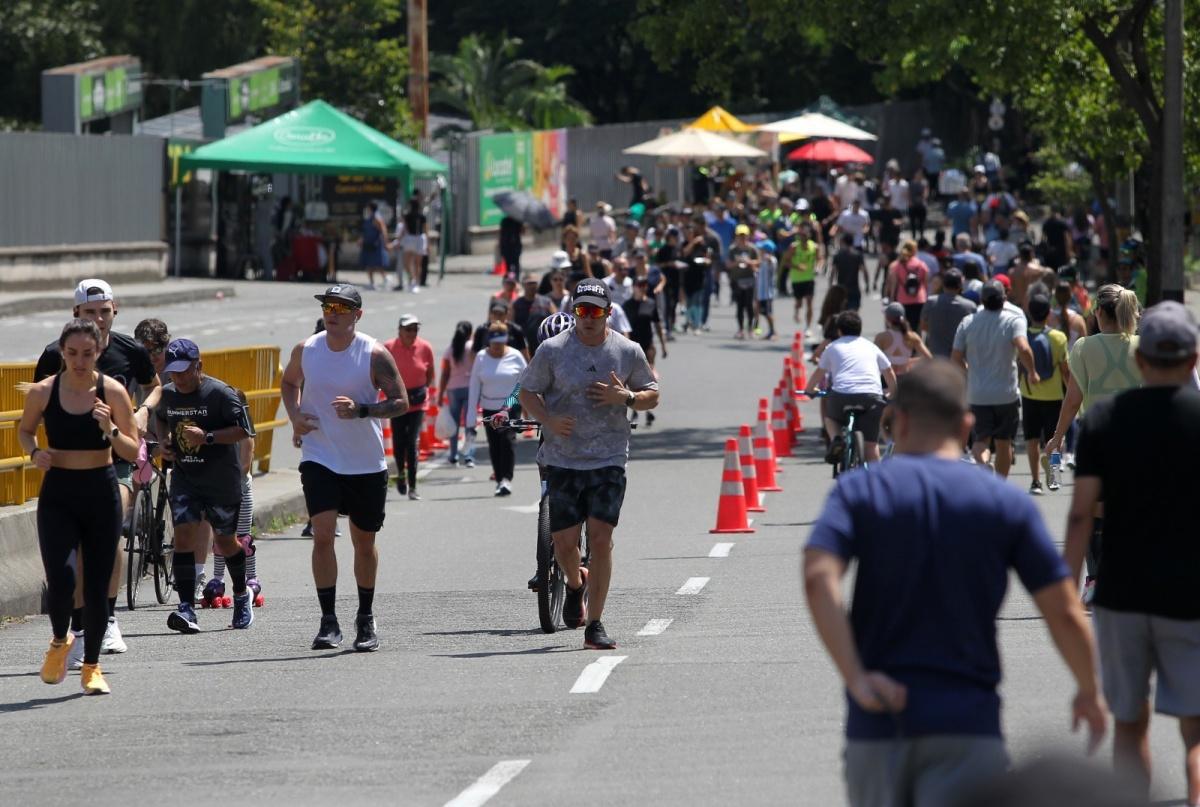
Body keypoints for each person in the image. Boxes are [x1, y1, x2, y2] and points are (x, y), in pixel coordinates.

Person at [804, 360, 1106, 807]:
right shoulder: (1003, 501)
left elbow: (817, 578)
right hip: (968, 724)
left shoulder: (859, 493)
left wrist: (856, 676)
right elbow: (1062, 607)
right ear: (966, 425)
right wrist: (1088, 689)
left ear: (897, 421)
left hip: (877, 725)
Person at [1065, 301, 1200, 807]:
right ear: (1194, 360)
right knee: (1195, 728)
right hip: (1191, 591)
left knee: (1129, 722)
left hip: (1122, 593)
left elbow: (1082, 515)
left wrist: (1064, 585)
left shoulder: (1105, 419)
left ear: (1142, 360)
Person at [519, 279, 659, 650]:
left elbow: (652, 396)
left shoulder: (627, 351)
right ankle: (575, 585)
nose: (588, 318)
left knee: (601, 539)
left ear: (608, 313)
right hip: (562, 458)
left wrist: (626, 396)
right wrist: (547, 420)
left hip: (608, 457)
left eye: (595, 311)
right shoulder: (552, 350)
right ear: (573, 312)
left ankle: (594, 624)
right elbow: (527, 391)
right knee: (564, 545)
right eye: (581, 310)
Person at [34, 279, 161, 663]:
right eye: (90, 313)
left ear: (114, 311)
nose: (99, 319)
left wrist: (142, 411)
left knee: (109, 536)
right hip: (70, 463)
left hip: (118, 456)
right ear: (76, 314)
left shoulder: (129, 351)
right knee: (74, 551)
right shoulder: (54, 354)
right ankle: (78, 625)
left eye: (104, 312)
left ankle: (107, 618)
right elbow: (35, 402)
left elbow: (155, 386)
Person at [280, 284, 409, 652]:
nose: (332, 312)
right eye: (327, 305)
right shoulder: (306, 350)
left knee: (363, 542)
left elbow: (400, 402)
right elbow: (289, 383)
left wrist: (362, 410)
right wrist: (295, 417)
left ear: (358, 314)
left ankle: (365, 618)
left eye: (341, 306)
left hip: (366, 462)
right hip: (320, 456)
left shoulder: (374, 354)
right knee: (322, 534)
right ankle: (328, 621)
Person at [20, 319, 138, 695]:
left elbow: (134, 450)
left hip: (100, 491)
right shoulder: (44, 391)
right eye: (72, 353)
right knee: (63, 578)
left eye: (88, 353)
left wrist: (112, 430)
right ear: (62, 352)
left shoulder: (113, 392)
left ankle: (91, 667)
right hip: (59, 494)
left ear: (99, 351)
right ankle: (59, 641)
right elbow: (24, 430)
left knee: (98, 584)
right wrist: (35, 451)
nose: (80, 361)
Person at [1046, 285, 1142, 602]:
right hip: (1136, 438)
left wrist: (1057, 438)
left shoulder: (1084, 347)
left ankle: (1095, 581)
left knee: (1094, 509)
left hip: (1098, 439)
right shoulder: (1141, 347)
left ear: (1098, 312)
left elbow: (1073, 399)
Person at [154, 339, 256, 634]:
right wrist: (164, 442)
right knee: (183, 536)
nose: (179, 378)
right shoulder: (169, 395)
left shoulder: (220, 393)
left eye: (185, 371)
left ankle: (240, 594)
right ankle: (186, 606)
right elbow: (161, 419)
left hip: (221, 480)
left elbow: (244, 429)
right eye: (173, 372)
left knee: (225, 543)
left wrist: (208, 437)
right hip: (186, 477)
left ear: (199, 366)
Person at [951, 281, 1040, 477]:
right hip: (1006, 394)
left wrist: (968, 372)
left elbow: (955, 357)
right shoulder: (1013, 320)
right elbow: (1024, 348)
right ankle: (1000, 486)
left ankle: (983, 463)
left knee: (980, 440)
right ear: (1005, 299)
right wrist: (1032, 372)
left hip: (977, 395)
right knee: (1004, 443)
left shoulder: (968, 322)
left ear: (982, 300)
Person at [805, 310, 897, 464]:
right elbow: (888, 371)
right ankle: (875, 481)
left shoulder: (833, 347)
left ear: (839, 330)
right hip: (871, 396)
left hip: (841, 395)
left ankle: (836, 439)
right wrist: (892, 393)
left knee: (831, 418)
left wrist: (809, 390)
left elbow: (818, 374)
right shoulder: (871, 347)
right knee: (871, 446)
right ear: (859, 329)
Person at [467, 322, 528, 496]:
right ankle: (499, 478)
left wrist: (522, 408)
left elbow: (524, 383)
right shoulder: (480, 357)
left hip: (510, 407)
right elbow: (474, 387)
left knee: (507, 442)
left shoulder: (515, 356)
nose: (497, 348)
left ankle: (507, 479)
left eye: (500, 345)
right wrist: (471, 418)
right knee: (494, 445)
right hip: (489, 408)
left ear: (505, 341)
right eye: (494, 345)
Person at [1020, 293, 1069, 495]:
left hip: (1029, 394)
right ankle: (1054, 475)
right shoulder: (1058, 337)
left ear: (1029, 313)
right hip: (1054, 396)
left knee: (1031, 440)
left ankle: (1035, 482)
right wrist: (1072, 394)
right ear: (1049, 313)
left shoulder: (1021, 337)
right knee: (1055, 440)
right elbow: (1065, 370)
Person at [384, 313, 434, 500]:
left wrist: (422, 390)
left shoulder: (425, 347)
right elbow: (382, 373)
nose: (412, 333)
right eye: (408, 329)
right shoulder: (388, 347)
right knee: (399, 443)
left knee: (412, 442)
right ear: (399, 330)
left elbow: (430, 374)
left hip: (418, 401)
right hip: (397, 401)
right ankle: (402, 476)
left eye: (415, 329)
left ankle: (413, 486)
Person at [438, 321, 477, 468]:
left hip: (453, 389)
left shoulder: (450, 349)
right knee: (469, 423)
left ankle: (453, 454)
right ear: (469, 332)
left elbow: (445, 373)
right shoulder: (472, 347)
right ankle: (468, 456)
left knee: (453, 424)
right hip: (470, 389)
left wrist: (440, 394)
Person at [919, 269, 976, 360]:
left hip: (935, 356)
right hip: (959, 359)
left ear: (943, 284)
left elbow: (923, 326)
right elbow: (973, 333)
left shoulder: (931, 302)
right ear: (960, 285)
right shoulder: (970, 306)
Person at [782, 224, 821, 333]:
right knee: (799, 303)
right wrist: (796, 266)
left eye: (806, 235)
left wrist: (818, 268)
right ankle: (796, 311)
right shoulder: (794, 247)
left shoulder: (814, 247)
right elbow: (786, 262)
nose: (804, 237)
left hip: (809, 278)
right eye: (802, 235)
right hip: (796, 279)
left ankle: (808, 327)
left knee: (809, 302)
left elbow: (820, 259)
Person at [875, 302, 932, 376]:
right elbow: (929, 358)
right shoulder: (912, 336)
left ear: (887, 318)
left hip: (887, 379)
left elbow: (872, 359)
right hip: (906, 379)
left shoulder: (881, 337)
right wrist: (908, 361)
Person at [885, 239, 930, 325]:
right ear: (915, 250)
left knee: (904, 326)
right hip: (919, 299)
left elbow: (893, 284)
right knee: (917, 326)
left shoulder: (898, 265)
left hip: (903, 299)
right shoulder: (921, 264)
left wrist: (891, 298)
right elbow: (926, 283)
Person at [728, 224, 760, 340]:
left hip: (749, 279)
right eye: (740, 236)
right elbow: (728, 264)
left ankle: (750, 329)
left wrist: (749, 262)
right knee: (740, 305)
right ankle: (740, 329)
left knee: (749, 305)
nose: (742, 238)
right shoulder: (733, 249)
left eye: (744, 236)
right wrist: (737, 263)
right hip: (737, 280)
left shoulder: (752, 249)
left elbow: (758, 262)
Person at [513, 273, 558, 352]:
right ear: (523, 285)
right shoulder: (516, 304)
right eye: (529, 283)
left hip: (543, 346)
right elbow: (510, 325)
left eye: (534, 283)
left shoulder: (547, 302)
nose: (532, 286)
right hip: (523, 347)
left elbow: (557, 320)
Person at [828, 233, 868, 312]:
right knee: (853, 316)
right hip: (854, 289)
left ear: (843, 242)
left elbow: (832, 272)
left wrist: (830, 286)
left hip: (841, 290)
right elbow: (864, 271)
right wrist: (867, 284)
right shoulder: (858, 255)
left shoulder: (838, 256)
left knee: (842, 315)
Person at [354, 203, 389, 291]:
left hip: (375, 245)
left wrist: (385, 243)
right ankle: (372, 283)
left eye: (368, 208)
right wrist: (361, 240)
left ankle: (385, 279)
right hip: (367, 244)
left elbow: (383, 230)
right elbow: (366, 232)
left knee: (378, 264)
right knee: (369, 264)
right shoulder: (369, 218)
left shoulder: (376, 218)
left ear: (371, 208)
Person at [397, 193, 427, 292]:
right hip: (417, 238)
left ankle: (414, 281)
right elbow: (426, 230)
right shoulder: (417, 216)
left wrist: (399, 240)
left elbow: (403, 230)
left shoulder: (419, 216)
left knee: (410, 263)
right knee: (416, 264)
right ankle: (414, 281)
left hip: (413, 238)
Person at [754, 239, 778, 340]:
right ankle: (768, 331)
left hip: (767, 293)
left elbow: (770, 261)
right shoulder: (763, 260)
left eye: (762, 249)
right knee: (762, 312)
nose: (760, 250)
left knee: (768, 313)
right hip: (761, 292)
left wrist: (766, 256)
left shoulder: (771, 260)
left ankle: (773, 332)